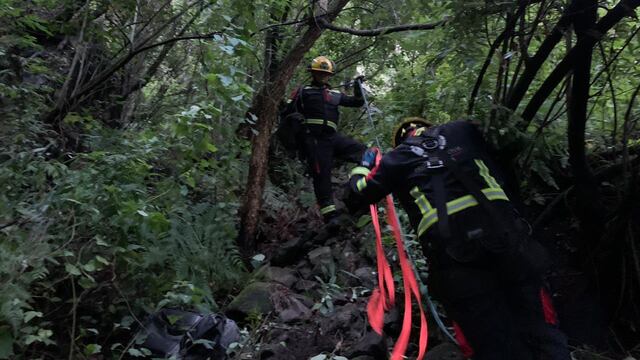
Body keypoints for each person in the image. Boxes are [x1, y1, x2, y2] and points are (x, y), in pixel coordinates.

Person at [345, 118, 570, 360]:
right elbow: (507, 144)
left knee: (490, 344)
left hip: (455, 261)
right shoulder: (464, 130)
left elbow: (357, 193)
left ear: (402, 138)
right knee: (542, 330)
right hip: (510, 244)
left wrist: (365, 164)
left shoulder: (397, 158)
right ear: (428, 126)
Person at [283, 55, 367, 225]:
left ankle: (358, 190)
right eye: (319, 73)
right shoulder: (302, 92)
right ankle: (330, 217)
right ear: (313, 74)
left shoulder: (335, 94)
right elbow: (286, 113)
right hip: (314, 140)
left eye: (325, 73)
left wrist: (358, 87)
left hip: (332, 138)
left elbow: (357, 102)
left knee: (365, 152)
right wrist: (295, 120)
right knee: (322, 176)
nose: (322, 76)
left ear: (329, 75)